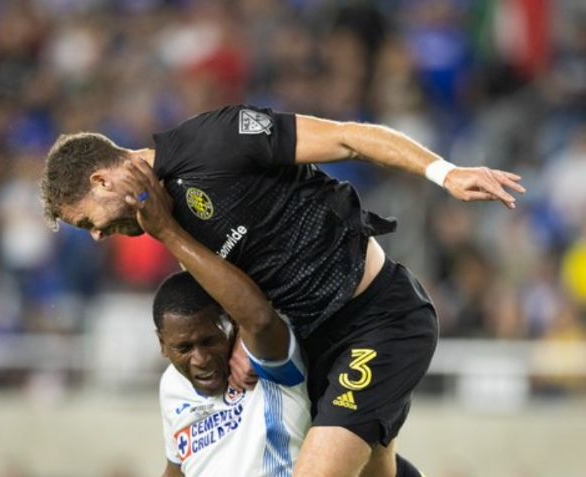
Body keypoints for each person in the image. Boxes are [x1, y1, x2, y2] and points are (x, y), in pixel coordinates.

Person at [40, 105, 525, 477]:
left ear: (102, 180)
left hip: (377, 319)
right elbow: (252, 298)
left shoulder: (214, 142)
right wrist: (249, 342)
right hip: (311, 352)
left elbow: (346, 138)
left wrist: (444, 172)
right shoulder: (161, 222)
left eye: (87, 221)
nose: (98, 236)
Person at [153, 270, 310, 477]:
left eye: (209, 341)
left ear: (231, 322)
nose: (201, 359)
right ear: (163, 345)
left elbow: (261, 321)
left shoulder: (266, 359)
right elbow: (176, 468)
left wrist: (166, 235)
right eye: (184, 348)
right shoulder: (171, 384)